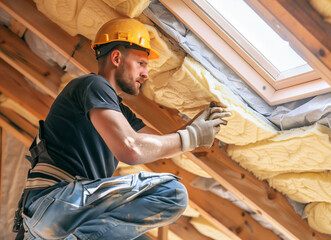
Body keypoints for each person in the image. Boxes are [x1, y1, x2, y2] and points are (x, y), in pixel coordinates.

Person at [13, 18, 230, 240]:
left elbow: (155, 144)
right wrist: (191, 136)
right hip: (54, 206)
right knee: (172, 193)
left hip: (51, 225)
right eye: (141, 63)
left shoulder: (119, 114)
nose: (146, 73)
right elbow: (132, 149)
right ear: (116, 57)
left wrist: (194, 127)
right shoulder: (92, 85)